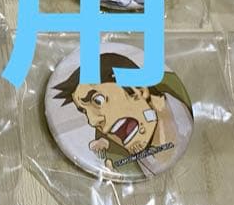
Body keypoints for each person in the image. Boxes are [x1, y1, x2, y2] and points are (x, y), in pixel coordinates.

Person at [51, 52, 192, 179]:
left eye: (98, 100)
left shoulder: (183, 106)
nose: (92, 121)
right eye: (84, 111)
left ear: (138, 89)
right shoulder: (114, 157)